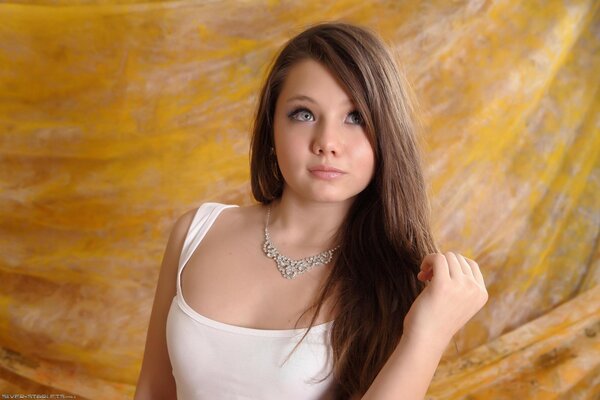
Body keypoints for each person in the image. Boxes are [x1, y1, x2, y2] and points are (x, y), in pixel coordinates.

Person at [134, 21, 488, 400]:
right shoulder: (196, 232)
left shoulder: (398, 280)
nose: (327, 143)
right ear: (271, 128)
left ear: (386, 136)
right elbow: (153, 390)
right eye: (304, 114)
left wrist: (429, 333)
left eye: (356, 118)